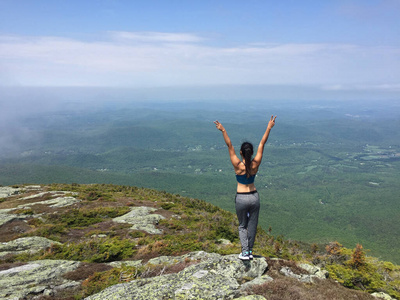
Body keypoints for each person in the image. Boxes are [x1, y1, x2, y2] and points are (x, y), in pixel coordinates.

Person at [214, 115, 277, 260]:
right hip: (254, 196)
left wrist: (223, 130)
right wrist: (269, 127)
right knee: (252, 225)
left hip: (241, 197)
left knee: (242, 225)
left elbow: (230, 146)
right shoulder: (255, 164)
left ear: (241, 153)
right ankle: (250, 251)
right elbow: (262, 143)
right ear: (252, 153)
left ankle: (245, 252)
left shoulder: (237, 165)